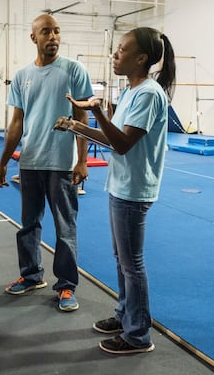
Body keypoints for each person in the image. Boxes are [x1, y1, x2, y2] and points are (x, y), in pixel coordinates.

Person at [55, 27, 176, 352]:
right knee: (122, 259)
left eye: (122, 50)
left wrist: (95, 111)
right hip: (121, 185)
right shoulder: (131, 92)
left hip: (134, 190)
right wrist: (76, 125)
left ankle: (138, 334)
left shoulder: (149, 93)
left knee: (131, 262)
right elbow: (111, 138)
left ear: (141, 58)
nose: (115, 54)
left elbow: (122, 145)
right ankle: (126, 315)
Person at [0, 14, 94, 312]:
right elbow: (16, 123)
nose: (53, 37)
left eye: (57, 32)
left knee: (65, 228)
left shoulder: (74, 71)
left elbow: (82, 118)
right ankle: (31, 275)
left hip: (62, 163)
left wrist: (82, 160)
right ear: (34, 38)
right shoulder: (22, 76)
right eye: (46, 32)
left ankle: (66, 286)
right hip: (31, 161)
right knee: (28, 225)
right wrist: (3, 164)